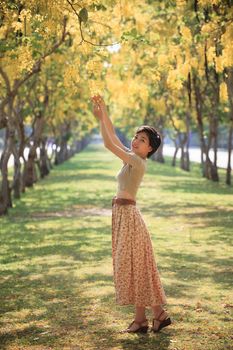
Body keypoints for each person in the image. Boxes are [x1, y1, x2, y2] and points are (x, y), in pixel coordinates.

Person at [91, 95, 172, 334]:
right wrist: (103, 113)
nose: (136, 141)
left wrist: (102, 114)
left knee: (137, 266)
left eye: (142, 139)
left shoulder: (138, 162)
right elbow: (113, 137)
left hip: (129, 217)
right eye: (136, 137)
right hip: (122, 216)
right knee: (135, 267)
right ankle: (143, 319)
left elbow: (107, 144)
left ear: (150, 148)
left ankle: (156, 314)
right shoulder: (132, 157)